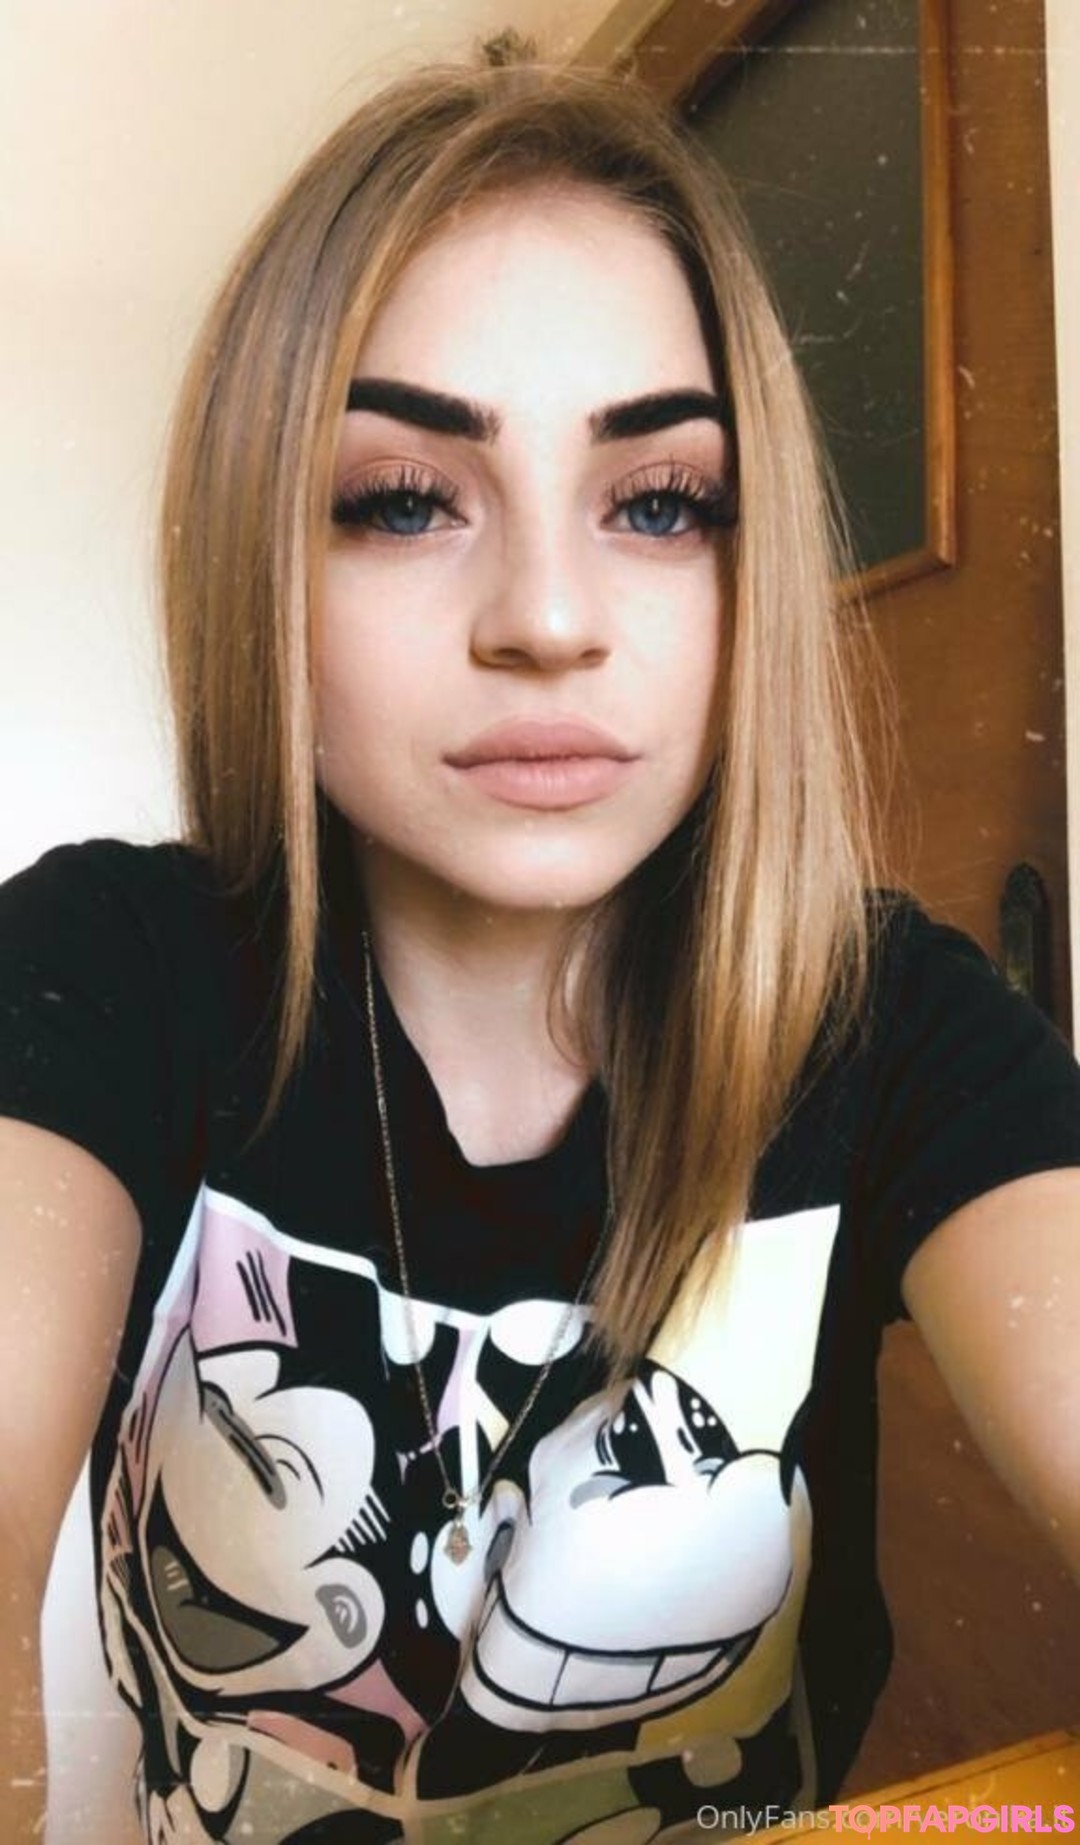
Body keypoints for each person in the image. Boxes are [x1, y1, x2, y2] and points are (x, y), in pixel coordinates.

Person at [1, 40, 1078, 1845]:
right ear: (266, 547)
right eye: (403, 497)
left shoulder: (886, 1025)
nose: (551, 618)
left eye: (659, 503)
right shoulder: (106, 975)